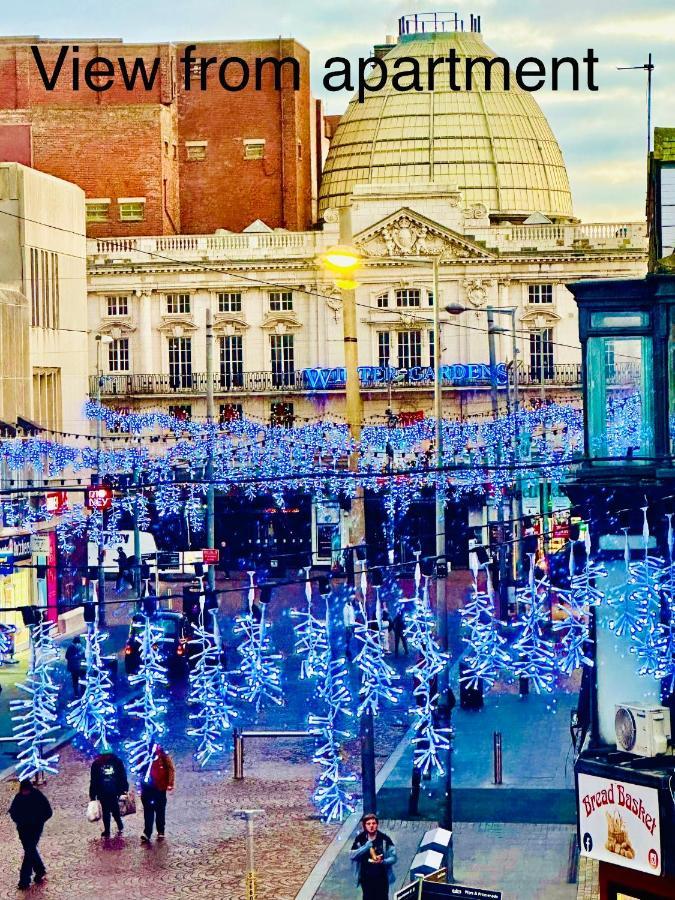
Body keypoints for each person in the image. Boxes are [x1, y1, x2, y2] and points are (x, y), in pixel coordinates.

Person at [9, 779, 52, 890]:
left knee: (29, 852)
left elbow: (48, 811)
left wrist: (38, 821)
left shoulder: (37, 796)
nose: (25, 792)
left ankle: (24, 880)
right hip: (23, 830)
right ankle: (40, 869)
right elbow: (13, 812)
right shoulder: (19, 798)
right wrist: (19, 821)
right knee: (31, 851)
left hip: (34, 829)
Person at [350, 813, 397, 900]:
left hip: (382, 878)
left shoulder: (384, 839)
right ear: (364, 825)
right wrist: (365, 847)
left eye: (373, 823)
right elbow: (352, 855)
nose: (371, 826)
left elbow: (393, 858)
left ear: (377, 825)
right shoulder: (360, 839)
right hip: (366, 878)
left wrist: (383, 861)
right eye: (368, 824)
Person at [89, 745, 129, 838]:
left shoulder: (117, 762)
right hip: (103, 792)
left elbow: (122, 776)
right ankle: (107, 830)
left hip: (114, 791)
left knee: (115, 808)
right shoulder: (96, 764)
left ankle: (119, 823)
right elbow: (94, 780)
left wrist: (124, 790)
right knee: (106, 811)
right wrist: (92, 794)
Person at [140, 743, 175, 842]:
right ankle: (147, 833)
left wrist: (170, 783)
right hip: (147, 789)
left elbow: (170, 769)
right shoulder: (144, 756)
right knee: (148, 811)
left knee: (159, 810)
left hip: (159, 788)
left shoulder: (163, 757)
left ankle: (160, 831)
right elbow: (140, 770)